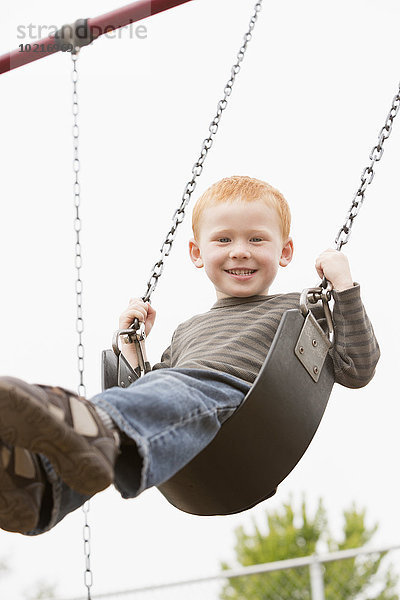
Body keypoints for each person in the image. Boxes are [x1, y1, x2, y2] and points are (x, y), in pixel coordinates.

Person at [0, 176, 380, 536]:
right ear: (198, 253)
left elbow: (357, 367)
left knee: (163, 398)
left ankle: (78, 422)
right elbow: (150, 399)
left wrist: (344, 288)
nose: (240, 251)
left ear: (285, 252)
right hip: (189, 418)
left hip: (245, 410)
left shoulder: (298, 311)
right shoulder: (187, 330)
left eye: (257, 239)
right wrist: (132, 348)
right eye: (224, 239)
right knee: (135, 419)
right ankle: (38, 487)